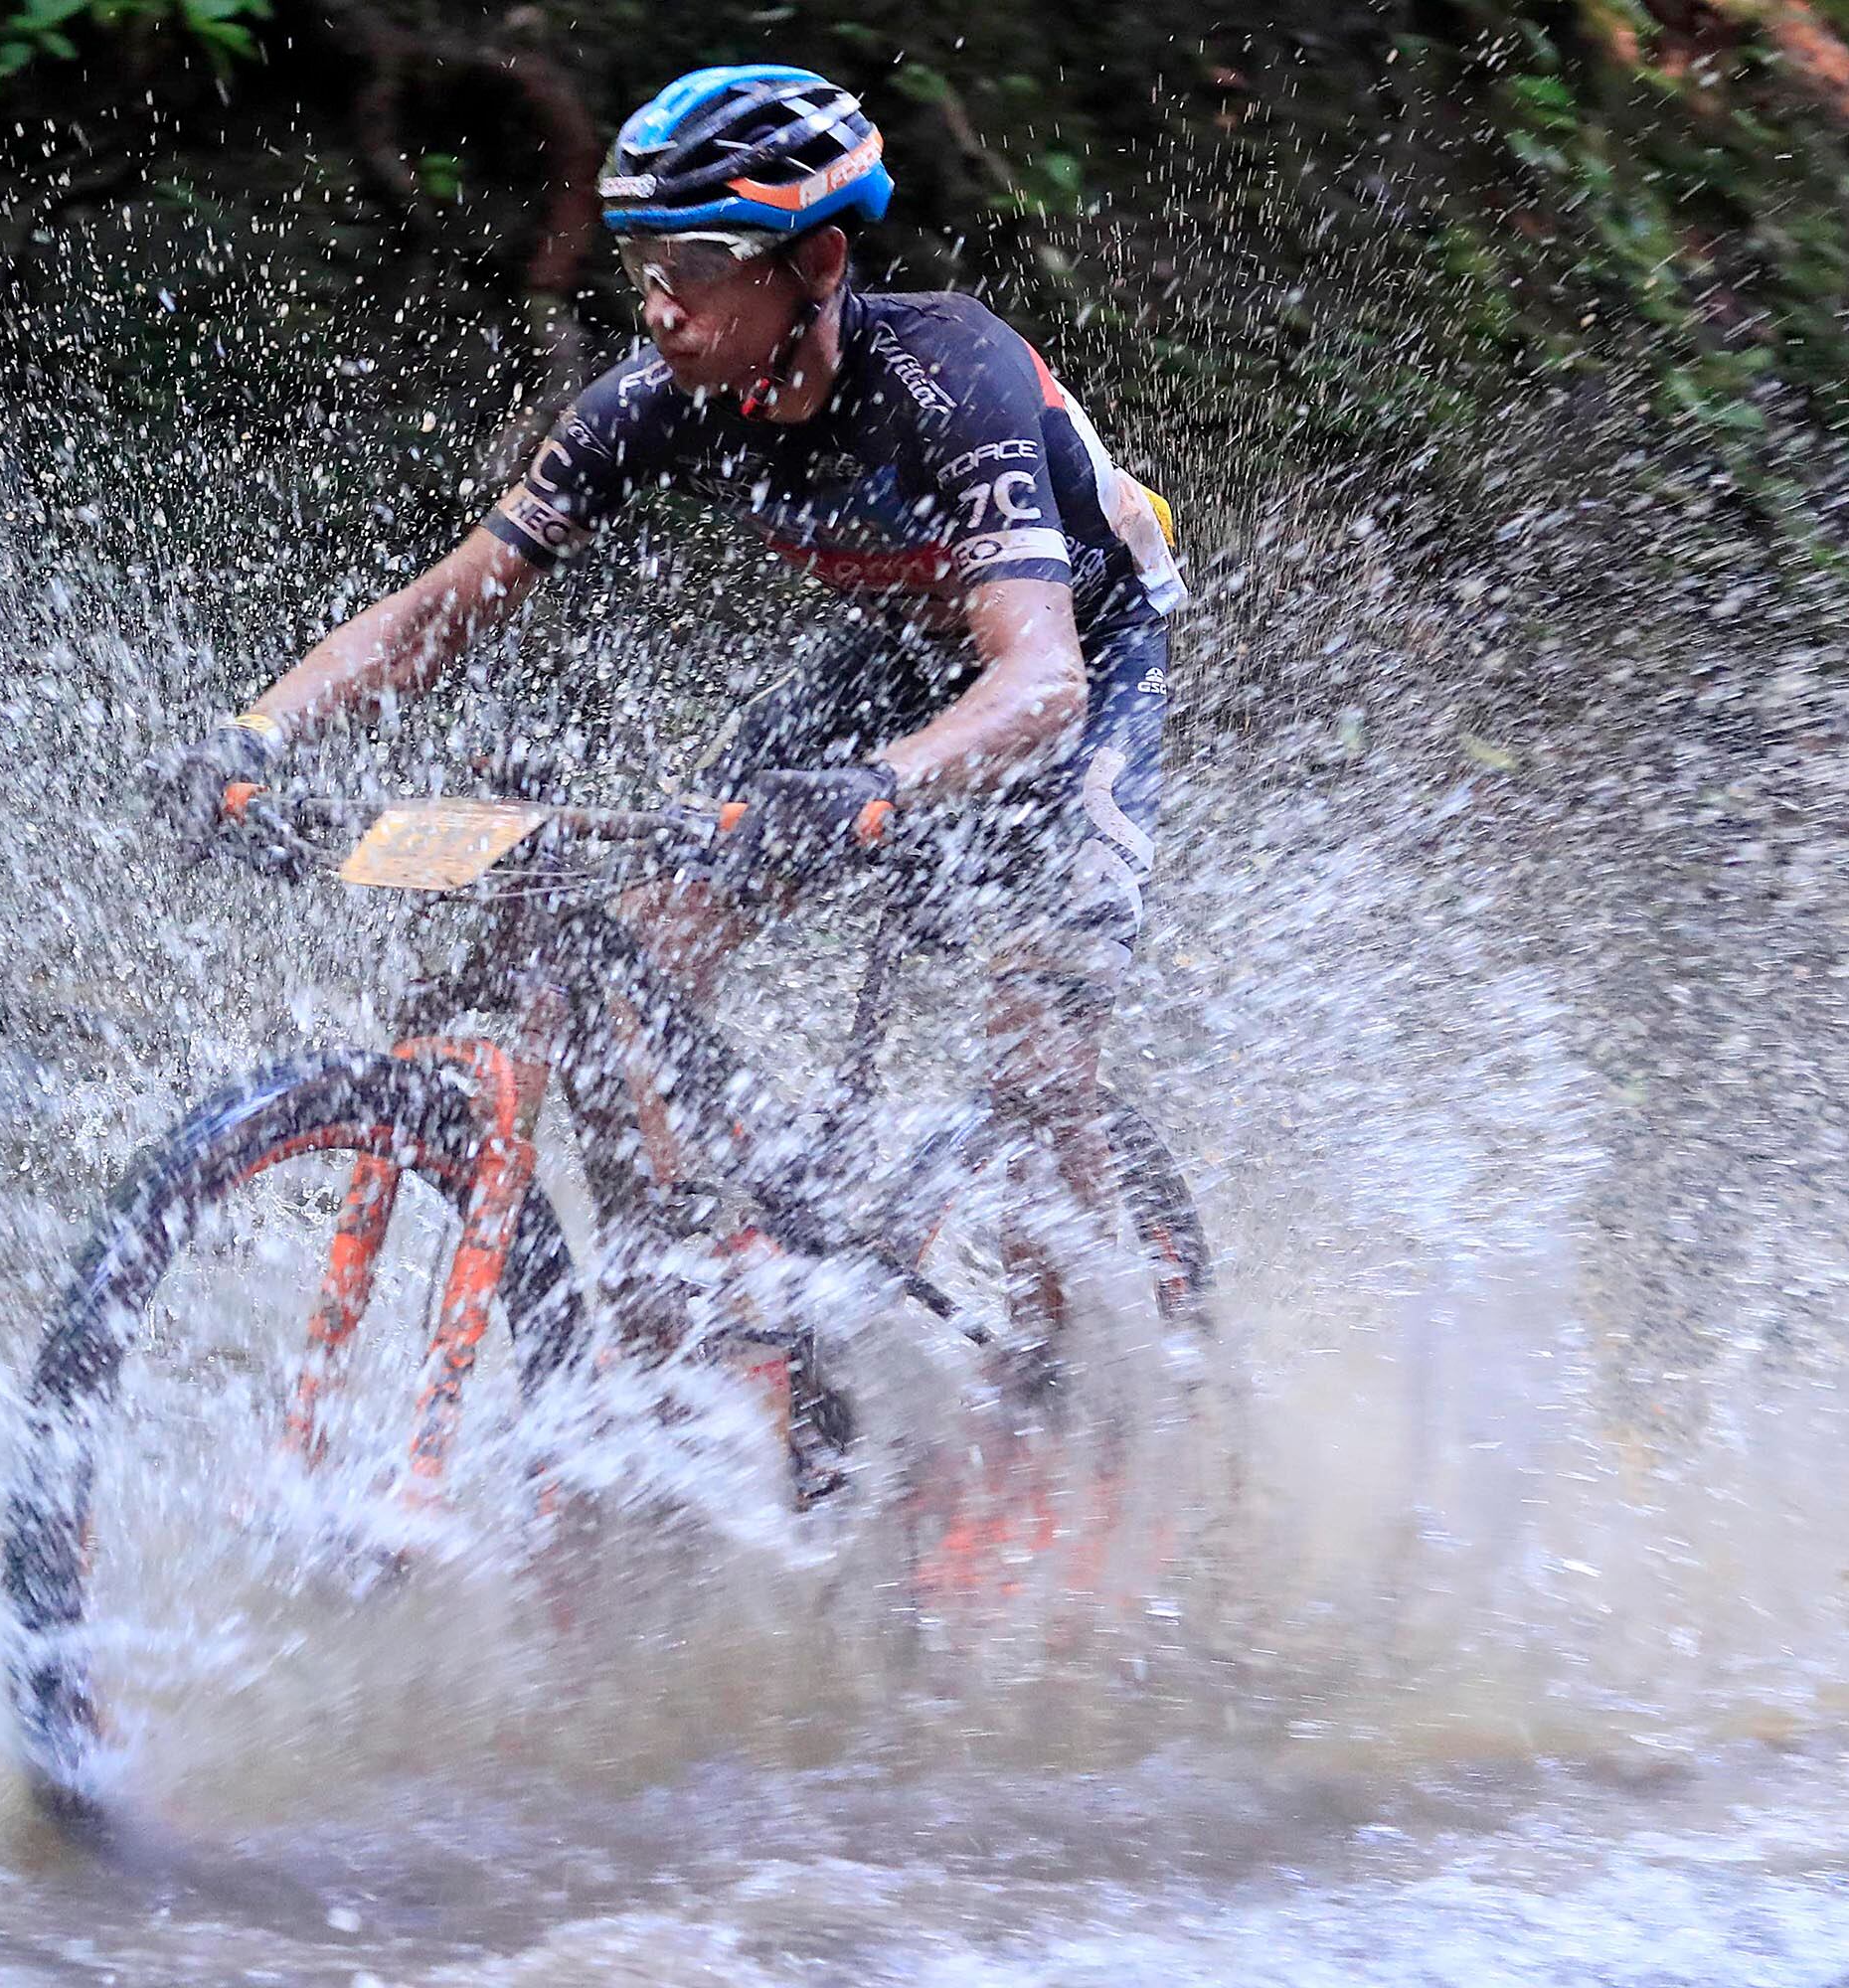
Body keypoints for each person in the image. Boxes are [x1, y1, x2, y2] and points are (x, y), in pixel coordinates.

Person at [154, 65, 1187, 1325]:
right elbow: (441, 612)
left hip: (1080, 651)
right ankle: (687, 1303)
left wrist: (874, 787)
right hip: (896, 656)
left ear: (816, 262)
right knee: (642, 946)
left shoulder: (950, 375)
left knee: (1036, 1055)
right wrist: (254, 734)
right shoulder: (654, 402)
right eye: (642, 260)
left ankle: (1093, 1370)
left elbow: (1040, 679)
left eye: (695, 263)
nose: (658, 302)